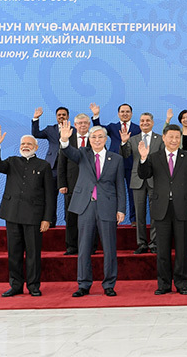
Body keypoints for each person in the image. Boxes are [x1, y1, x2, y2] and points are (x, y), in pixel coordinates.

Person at [59, 123, 126, 297]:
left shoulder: (116, 159)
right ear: (89, 140)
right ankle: (83, 284)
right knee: (84, 247)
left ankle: (109, 284)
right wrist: (64, 140)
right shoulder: (82, 153)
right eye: (93, 137)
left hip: (107, 206)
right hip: (86, 206)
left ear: (106, 139)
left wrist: (121, 209)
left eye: (100, 137)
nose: (97, 140)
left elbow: (120, 185)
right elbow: (68, 151)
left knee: (109, 248)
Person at [0, 127, 56, 296]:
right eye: (23, 144)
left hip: (34, 217)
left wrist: (47, 218)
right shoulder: (12, 161)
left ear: (36, 147)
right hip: (12, 214)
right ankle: (16, 286)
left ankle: (33, 286)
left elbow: (50, 195)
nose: (25, 146)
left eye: (29, 144)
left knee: (33, 253)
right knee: (14, 253)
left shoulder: (44, 165)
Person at [138, 124, 187, 295]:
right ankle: (164, 284)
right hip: (161, 209)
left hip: (183, 208)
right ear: (164, 138)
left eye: (177, 137)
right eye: (171, 137)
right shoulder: (154, 157)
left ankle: (182, 284)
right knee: (162, 251)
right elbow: (144, 175)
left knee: (182, 250)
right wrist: (143, 158)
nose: (174, 140)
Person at [121, 112, 162, 254]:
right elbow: (125, 155)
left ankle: (154, 243)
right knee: (139, 214)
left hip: (155, 180)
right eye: (142, 120)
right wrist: (124, 143)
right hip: (137, 180)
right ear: (139, 123)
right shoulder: (133, 139)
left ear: (152, 122)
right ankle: (142, 243)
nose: (145, 123)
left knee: (156, 213)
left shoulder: (160, 139)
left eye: (147, 120)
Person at [93, 103, 141, 225]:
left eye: (127, 111)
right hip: (114, 164)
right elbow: (99, 130)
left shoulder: (137, 128)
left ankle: (134, 219)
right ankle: (112, 217)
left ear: (131, 114)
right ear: (118, 114)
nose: (125, 114)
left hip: (131, 164)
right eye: (122, 111)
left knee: (132, 193)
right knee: (112, 192)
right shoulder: (113, 127)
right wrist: (96, 116)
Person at [56, 113, 92, 256]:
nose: (83, 125)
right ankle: (72, 246)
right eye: (80, 123)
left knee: (90, 217)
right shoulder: (67, 139)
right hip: (71, 185)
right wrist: (62, 184)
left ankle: (90, 246)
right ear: (75, 125)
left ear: (89, 124)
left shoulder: (95, 138)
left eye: (85, 123)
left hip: (91, 186)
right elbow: (61, 164)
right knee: (71, 217)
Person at [31, 106, 70, 175]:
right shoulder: (50, 129)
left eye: (64, 115)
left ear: (68, 117)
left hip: (68, 164)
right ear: (56, 117)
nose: (61, 116)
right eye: (59, 115)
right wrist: (36, 118)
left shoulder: (74, 130)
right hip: (52, 163)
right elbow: (36, 134)